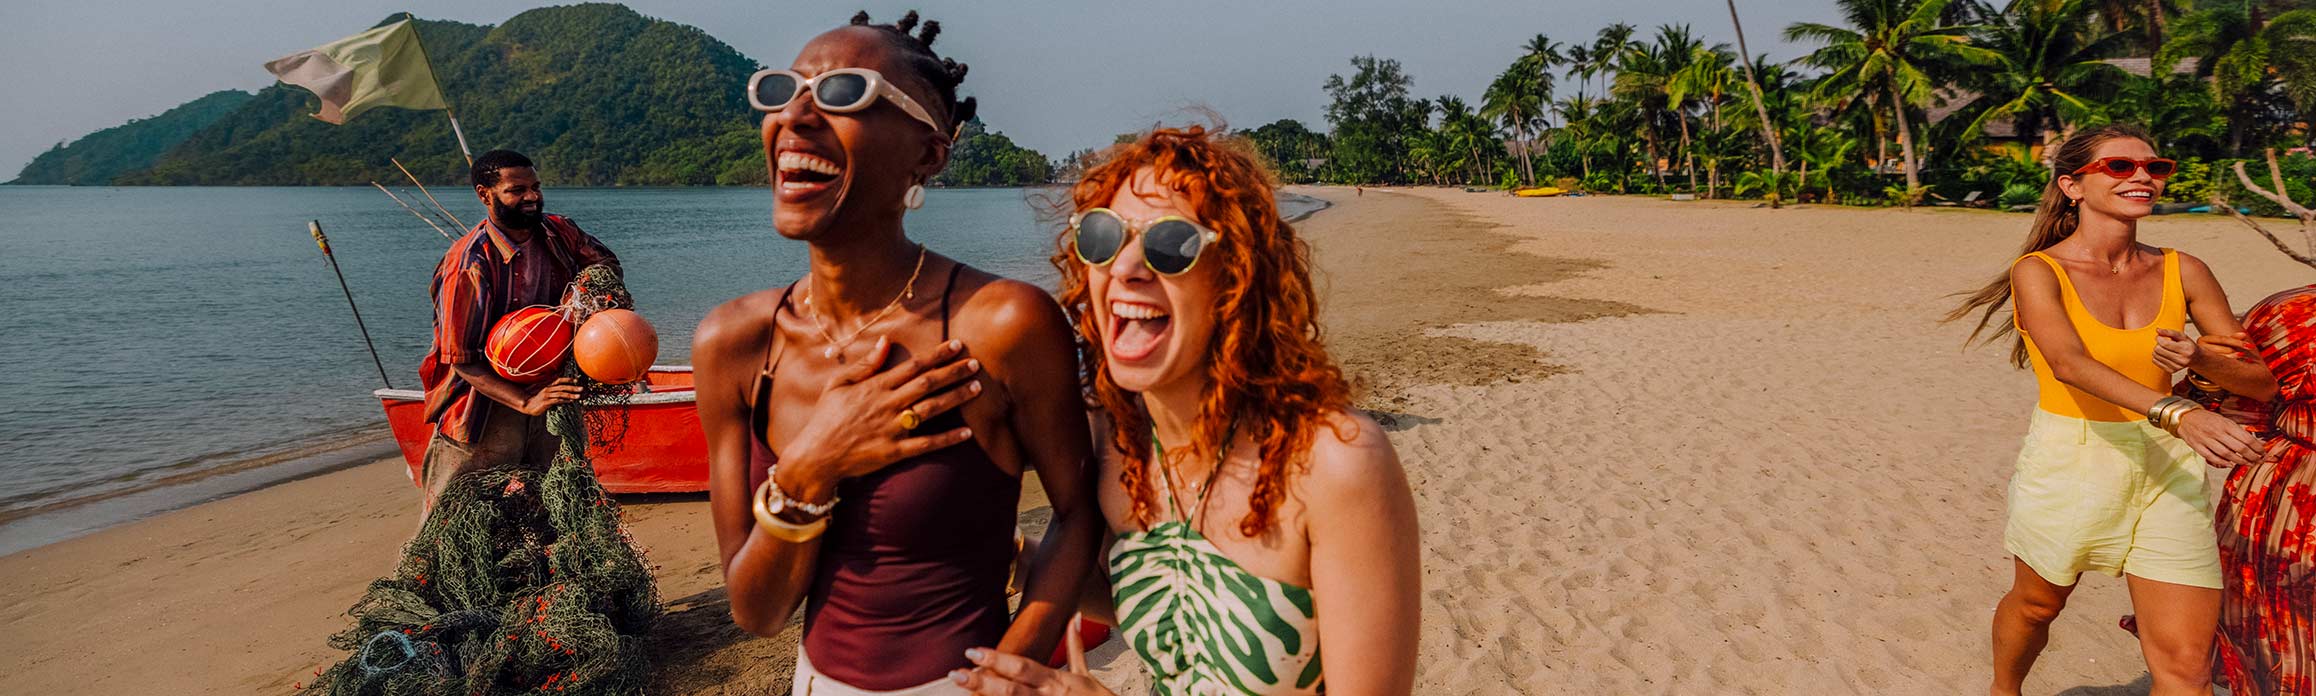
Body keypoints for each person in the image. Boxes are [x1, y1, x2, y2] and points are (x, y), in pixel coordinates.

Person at [691, 11, 1100, 696]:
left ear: (928, 154)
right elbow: (756, 612)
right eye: (781, 90)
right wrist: (813, 464)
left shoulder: (1000, 324)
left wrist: (1009, 664)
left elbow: (1077, 511)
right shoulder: (735, 344)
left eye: (844, 93)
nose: (795, 115)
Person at [950, 126, 1422, 695]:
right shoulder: (1115, 439)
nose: (1125, 268)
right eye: (1102, 238)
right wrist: (1004, 552)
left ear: (1237, 278)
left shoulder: (1334, 465)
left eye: (1170, 244)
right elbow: (1182, 612)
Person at [1946, 124, 2276, 696]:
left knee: (2186, 666)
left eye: (2155, 167)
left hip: (2169, 470)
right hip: (2074, 459)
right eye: (2120, 167)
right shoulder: (2039, 271)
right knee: (2037, 606)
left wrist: (2200, 358)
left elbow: (2259, 381)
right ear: (2072, 185)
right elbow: (2070, 364)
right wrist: (2181, 411)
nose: (2143, 176)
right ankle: (2005, 690)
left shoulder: (2185, 269)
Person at [416, 148, 620, 519]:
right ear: (484, 194)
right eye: (516, 190)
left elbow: (607, 265)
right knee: (459, 521)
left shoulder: (560, 232)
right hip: (481, 409)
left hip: (552, 395)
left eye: (536, 186)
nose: (532, 197)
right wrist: (525, 402)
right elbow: (463, 362)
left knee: (548, 511)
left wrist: (583, 296)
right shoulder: (467, 266)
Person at [2175, 280, 2316, 694]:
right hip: (2291, 499)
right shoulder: (2295, 314)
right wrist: (2206, 368)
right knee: (2285, 640)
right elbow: (2222, 402)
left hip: (2287, 492)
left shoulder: (2294, 311)